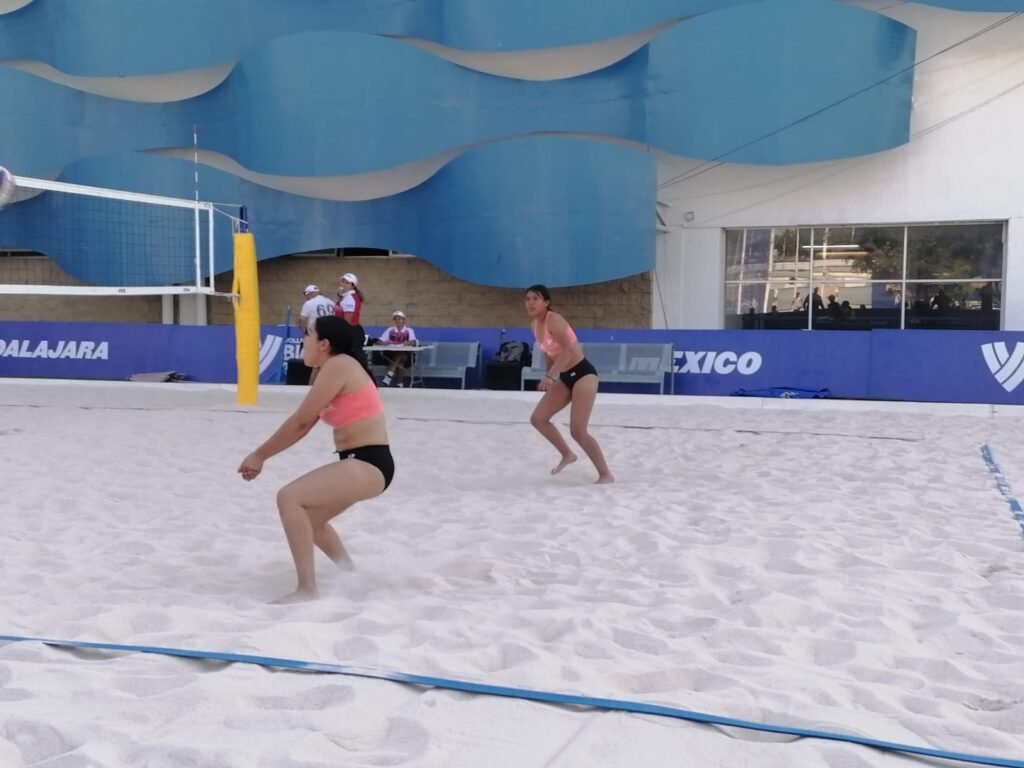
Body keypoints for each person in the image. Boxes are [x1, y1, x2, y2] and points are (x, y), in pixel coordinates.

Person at [238, 316, 393, 604]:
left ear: (324, 344)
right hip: (362, 462)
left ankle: (307, 589)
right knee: (311, 521)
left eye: (308, 334)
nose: (303, 340)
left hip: (369, 463)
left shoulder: (339, 365)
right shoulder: (332, 368)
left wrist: (260, 455)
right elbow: (304, 423)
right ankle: (349, 574)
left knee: (289, 497)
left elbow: (302, 422)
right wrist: (261, 455)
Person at [525, 284, 613, 484]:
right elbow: (549, 353)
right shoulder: (534, 325)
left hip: (583, 374)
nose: (530, 303)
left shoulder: (554, 319)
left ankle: (605, 474)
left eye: (535, 299)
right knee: (538, 419)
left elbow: (568, 352)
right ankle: (567, 454)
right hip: (564, 376)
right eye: (528, 299)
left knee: (578, 431)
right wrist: (549, 375)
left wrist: (550, 376)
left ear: (546, 302)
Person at [377, 310, 418, 387]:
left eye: (399, 319)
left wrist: (409, 342)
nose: (397, 321)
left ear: (403, 320)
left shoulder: (409, 330)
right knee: (400, 362)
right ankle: (399, 384)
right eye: (395, 319)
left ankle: (389, 376)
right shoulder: (390, 330)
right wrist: (384, 343)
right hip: (392, 355)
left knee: (401, 354)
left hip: (407, 357)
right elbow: (379, 341)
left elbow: (414, 342)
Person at [335, 272, 367, 351]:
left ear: (352, 286)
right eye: (343, 281)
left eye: (347, 283)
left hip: (351, 331)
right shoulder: (347, 296)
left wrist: (342, 335)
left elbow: (347, 320)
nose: (343, 284)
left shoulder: (349, 298)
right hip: (351, 330)